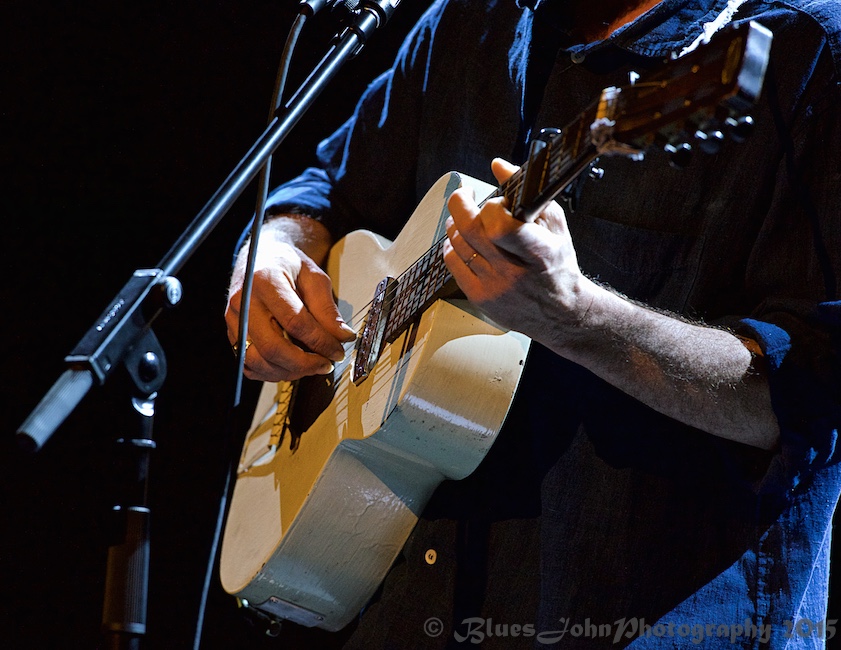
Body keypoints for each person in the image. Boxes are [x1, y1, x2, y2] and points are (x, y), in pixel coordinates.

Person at [224, 0, 841, 646]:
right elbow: (326, 187)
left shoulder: (807, 51)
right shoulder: (467, 23)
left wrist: (579, 318)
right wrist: (272, 248)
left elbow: (811, 395)